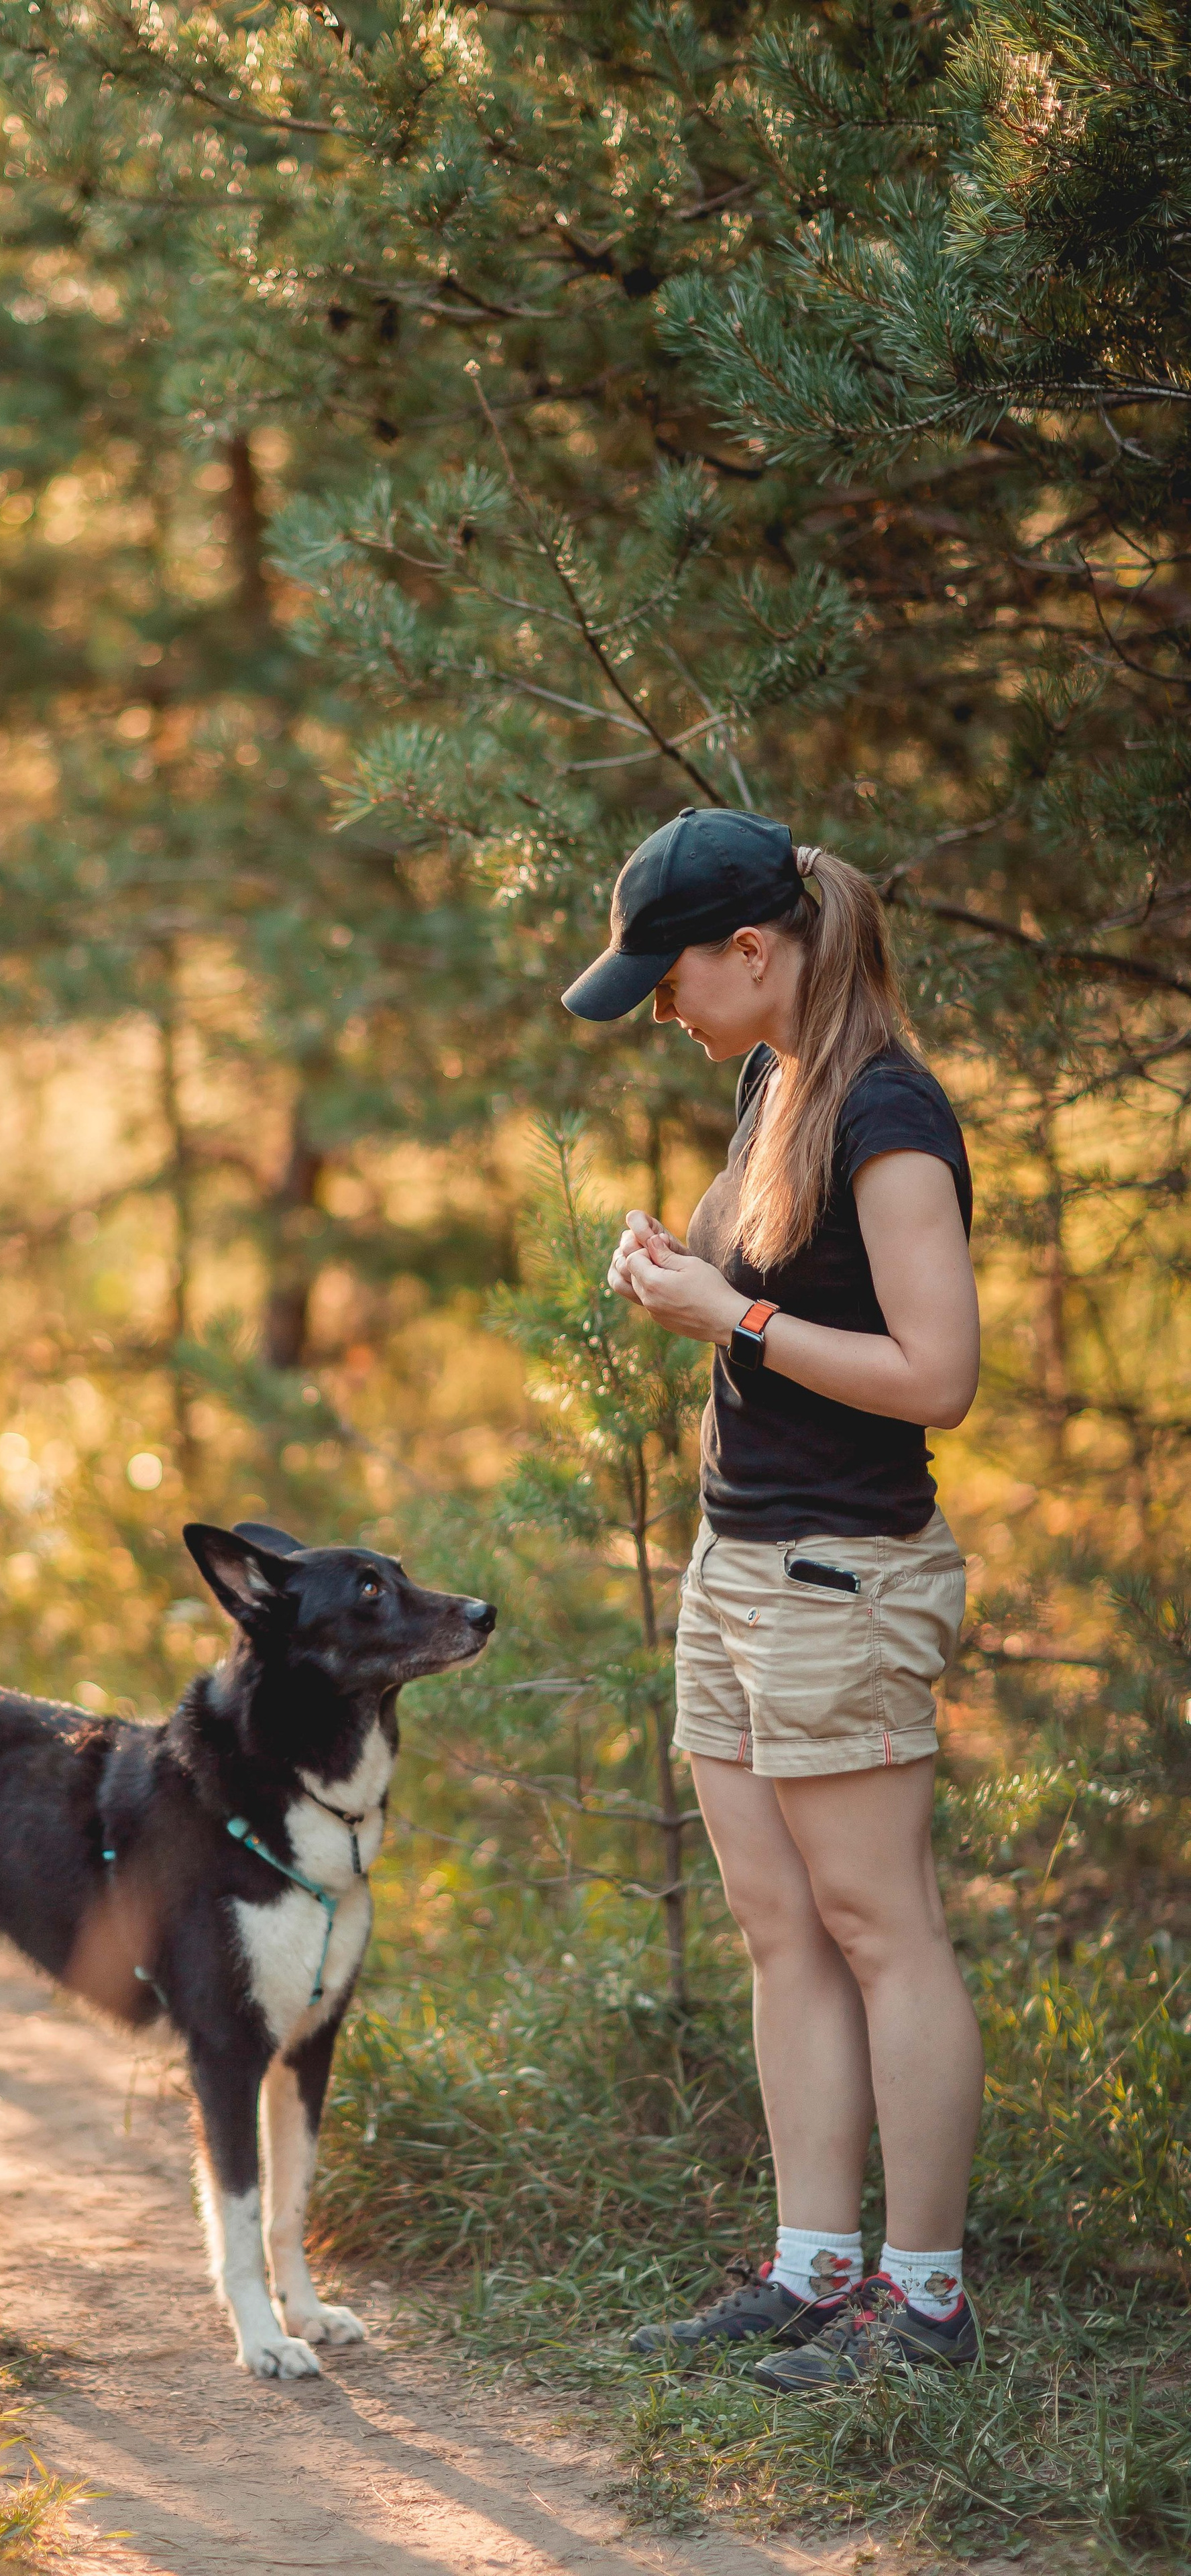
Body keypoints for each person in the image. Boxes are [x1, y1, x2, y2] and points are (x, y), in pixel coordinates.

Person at [561, 806, 983, 2389]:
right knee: (777, 1930)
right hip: (740, 1565)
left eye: (665, 982)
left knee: (880, 1928)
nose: (656, 1013)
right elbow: (782, 1304)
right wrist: (685, 1278)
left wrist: (725, 1313)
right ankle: (813, 2272)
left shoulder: (885, 1117)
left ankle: (923, 2303)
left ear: (755, 952)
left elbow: (934, 1378)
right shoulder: (775, 1079)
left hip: (843, 1575)